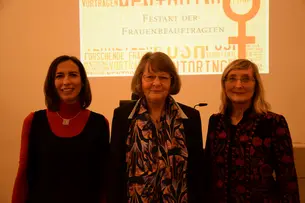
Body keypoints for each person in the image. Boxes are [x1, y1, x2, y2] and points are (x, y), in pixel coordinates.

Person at [108, 52, 205, 203]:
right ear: (140, 80)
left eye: (163, 77)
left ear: (171, 81)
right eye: (150, 77)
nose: (157, 83)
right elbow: (115, 171)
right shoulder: (122, 116)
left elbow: (197, 172)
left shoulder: (190, 117)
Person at [12, 55, 109, 203]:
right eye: (59, 76)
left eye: (73, 75)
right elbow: (23, 173)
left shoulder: (100, 123)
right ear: (52, 82)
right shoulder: (33, 121)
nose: (66, 81)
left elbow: (103, 179)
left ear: (83, 82)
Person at [205, 59, 300, 202]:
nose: (238, 85)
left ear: (256, 85)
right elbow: (208, 173)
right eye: (232, 79)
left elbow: (287, 178)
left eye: (246, 79)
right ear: (224, 85)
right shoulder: (215, 121)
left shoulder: (273, 122)